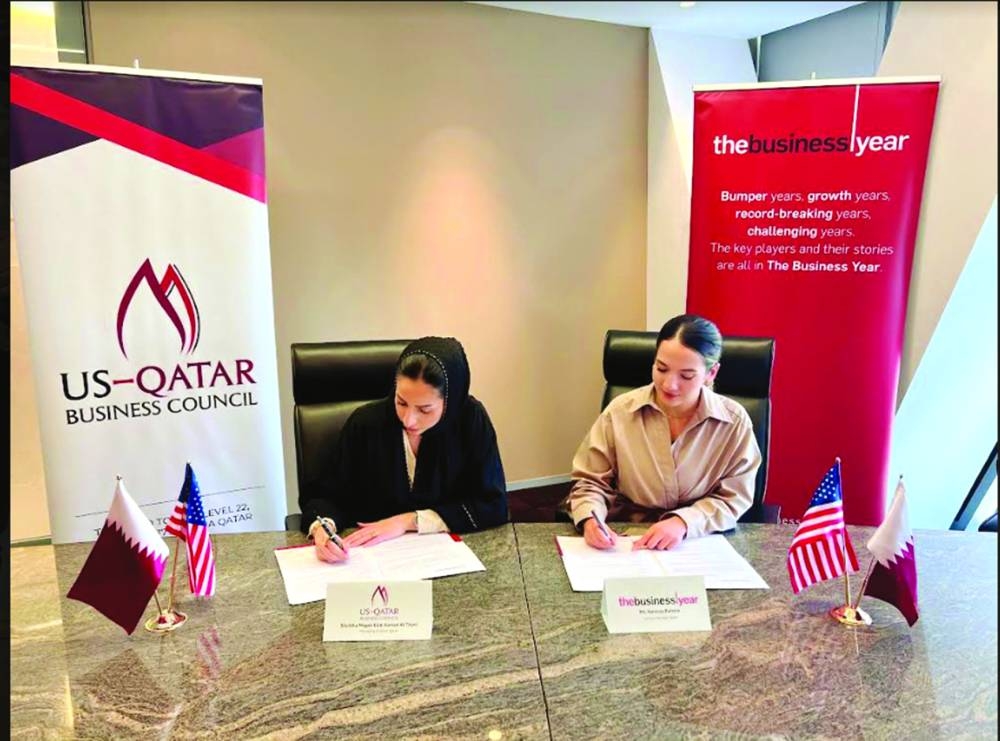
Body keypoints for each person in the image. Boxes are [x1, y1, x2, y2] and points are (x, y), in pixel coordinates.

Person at [302, 336, 509, 562]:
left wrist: (408, 521)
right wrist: (323, 529)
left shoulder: (470, 421)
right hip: (369, 560)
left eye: (425, 409)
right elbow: (327, 494)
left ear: (450, 402)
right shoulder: (365, 423)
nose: (408, 420)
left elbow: (493, 505)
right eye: (401, 402)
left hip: (444, 561)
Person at [565, 314, 761, 551]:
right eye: (661, 368)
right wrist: (590, 519)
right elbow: (590, 482)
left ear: (711, 373)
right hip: (627, 538)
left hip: (698, 539)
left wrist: (683, 522)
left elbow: (734, 498)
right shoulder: (620, 412)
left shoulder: (734, 422)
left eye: (686, 375)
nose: (669, 384)